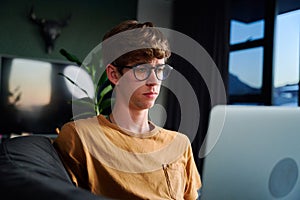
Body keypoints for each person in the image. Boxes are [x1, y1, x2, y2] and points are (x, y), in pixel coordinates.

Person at [53, 19, 202, 200]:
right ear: (114, 74)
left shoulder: (179, 143)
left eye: (160, 69)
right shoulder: (80, 136)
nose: (154, 81)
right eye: (142, 69)